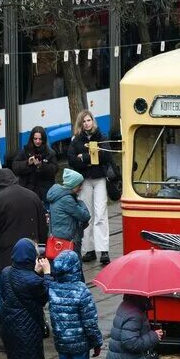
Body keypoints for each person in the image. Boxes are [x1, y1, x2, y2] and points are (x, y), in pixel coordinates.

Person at [0, 168, 48, 335]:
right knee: (31, 296)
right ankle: (36, 325)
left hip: (4, 262)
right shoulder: (33, 196)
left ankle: (14, 329)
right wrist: (42, 255)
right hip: (31, 259)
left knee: (2, 298)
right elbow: (43, 229)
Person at [0, 238, 52, 359]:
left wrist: (35, 274)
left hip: (10, 327)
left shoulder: (6, 273)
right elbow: (45, 294)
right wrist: (46, 274)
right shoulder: (33, 281)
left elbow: (24, 282)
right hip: (27, 329)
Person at [67, 110, 112, 265]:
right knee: (87, 215)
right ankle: (89, 249)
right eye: (84, 121)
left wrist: (84, 157)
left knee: (101, 213)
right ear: (81, 124)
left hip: (99, 179)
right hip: (85, 180)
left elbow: (107, 155)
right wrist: (92, 158)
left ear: (93, 121)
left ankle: (103, 250)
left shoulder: (101, 136)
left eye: (89, 120)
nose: (87, 123)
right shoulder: (76, 140)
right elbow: (72, 160)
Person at [45, 168, 91, 266]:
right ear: (73, 185)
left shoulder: (57, 196)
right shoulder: (67, 199)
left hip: (57, 241)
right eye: (79, 185)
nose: (81, 188)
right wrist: (80, 202)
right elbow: (85, 216)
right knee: (75, 270)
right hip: (68, 242)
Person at [10, 126, 58, 203]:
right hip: (28, 192)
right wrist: (28, 163)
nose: (38, 141)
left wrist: (41, 166)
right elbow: (15, 167)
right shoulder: (25, 151)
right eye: (35, 139)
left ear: (44, 139)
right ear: (32, 139)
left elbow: (54, 170)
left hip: (45, 193)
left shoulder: (50, 153)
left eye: (40, 139)